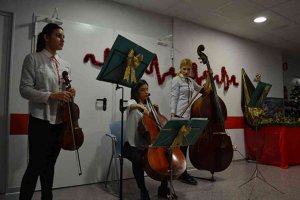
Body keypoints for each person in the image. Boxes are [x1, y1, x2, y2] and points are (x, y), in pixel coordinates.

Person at [19, 23, 76, 200]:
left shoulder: (65, 64)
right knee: (35, 166)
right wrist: (52, 95)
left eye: (64, 37)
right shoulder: (33, 59)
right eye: (58, 36)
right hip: (40, 121)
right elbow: (25, 90)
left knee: (50, 166)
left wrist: (69, 93)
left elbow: (63, 93)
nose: (62, 40)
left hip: (60, 123)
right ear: (46, 37)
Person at [123, 79, 170, 200]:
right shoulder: (132, 102)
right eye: (143, 90)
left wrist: (156, 112)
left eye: (147, 89)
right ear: (136, 92)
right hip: (131, 145)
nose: (146, 92)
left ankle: (163, 187)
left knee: (166, 155)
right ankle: (143, 190)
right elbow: (130, 106)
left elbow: (156, 126)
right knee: (138, 160)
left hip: (145, 144)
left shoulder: (148, 107)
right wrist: (141, 107)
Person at [170, 58, 204, 185]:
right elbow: (174, 97)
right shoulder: (176, 80)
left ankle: (182, 171)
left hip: (188, 116)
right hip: (179, 115)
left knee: (185, 145)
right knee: (178, 146)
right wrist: (173, 113)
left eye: (188, 69)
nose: (186, 71)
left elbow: (201, 89)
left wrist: (209, 80)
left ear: (191, 70)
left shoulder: (191, 81)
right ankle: (179, 171)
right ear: (180, 68)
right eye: (184, 68)